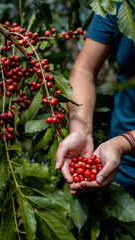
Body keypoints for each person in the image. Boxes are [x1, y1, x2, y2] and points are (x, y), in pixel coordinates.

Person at [55, 2, 135, 198]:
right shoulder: (118, 4)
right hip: (120, 168)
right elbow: (84, 69)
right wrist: (80, 129)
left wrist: (124, 143)